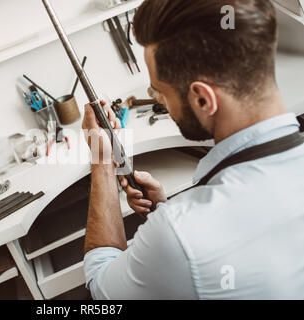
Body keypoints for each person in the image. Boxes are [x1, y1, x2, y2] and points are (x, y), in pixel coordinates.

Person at [81, 0, 304, 299]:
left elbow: (100, 289)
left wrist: (102, 159)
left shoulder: (179, 237)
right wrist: (170, 209)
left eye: (160, 91)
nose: (159, 101)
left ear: (202, 99)